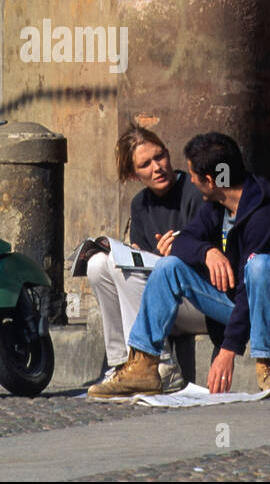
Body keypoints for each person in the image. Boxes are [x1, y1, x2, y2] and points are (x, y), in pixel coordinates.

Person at [89, 132, 270, 399]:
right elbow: (184, 241)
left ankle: (268, 365)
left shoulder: (266, 215)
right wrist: (207, 251)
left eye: (192, 175)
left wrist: (228, 351)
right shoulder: (217, 205)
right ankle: (143, 365)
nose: (188, 180)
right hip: (243, 300)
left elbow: (253, 289)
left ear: (210, 181)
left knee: (259, 267)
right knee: (168, 267)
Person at [86, 124, 205, 394]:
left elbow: (211, 260)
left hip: (198, 301)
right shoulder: (140, 205)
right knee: (97, 264)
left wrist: (176, 254)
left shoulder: (194, 192)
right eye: (146, 164)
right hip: (161, 307)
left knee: (123, 265)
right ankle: (122, 363)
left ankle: (161, 364)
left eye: (160, 157)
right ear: (133, 174)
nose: (157, 167)